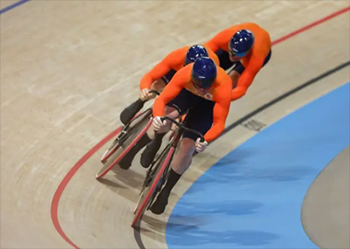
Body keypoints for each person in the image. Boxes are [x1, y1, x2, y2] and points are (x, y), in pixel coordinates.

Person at [120, 57, 233, 214]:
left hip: (207, 107)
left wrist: (205, 139)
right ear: (192, 78)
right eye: (198, 85)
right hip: (186, 95)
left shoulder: (223, 86)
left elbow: (219, 122)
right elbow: (162, 99)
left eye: (206, 86)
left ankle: (166, 191)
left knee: (187, 146)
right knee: (167, 116)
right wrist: (159, 117)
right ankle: (141, 146)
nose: (201, 89)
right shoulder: (184, 74)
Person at [119, 44, 221, 169]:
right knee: (156, 90)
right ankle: (140, 105)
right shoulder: (176, 57)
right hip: (179, 78)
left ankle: (156, 137)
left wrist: (182, 117)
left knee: (172, 115)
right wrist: (145, 90)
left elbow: (199, 100)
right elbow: (150, 76)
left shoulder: (211, 69)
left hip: (194, 88)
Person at [205, 22, 272, 101]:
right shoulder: (224, 37)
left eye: (238, 55)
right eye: (231, 52)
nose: (233, 57)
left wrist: (216, 97)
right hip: (233, 48)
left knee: (231, 80)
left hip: (254, 54)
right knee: (208, 67)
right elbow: (201, 53)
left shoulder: (256, 57)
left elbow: (241, 89)